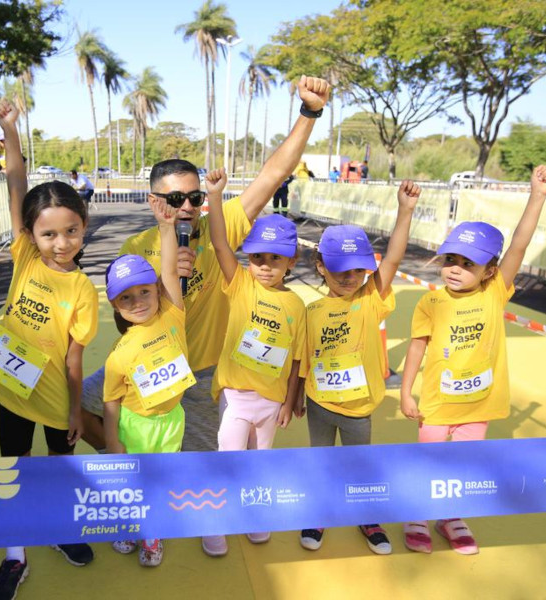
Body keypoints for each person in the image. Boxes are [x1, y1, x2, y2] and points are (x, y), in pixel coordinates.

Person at [80, 75, 331, 454]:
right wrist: (166, 285)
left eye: (194, 197)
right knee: (78, 406)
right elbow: (123, 316)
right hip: (149, 365)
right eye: (174, 198)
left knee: (201, 467)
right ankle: (135, 470)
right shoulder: (136, 246)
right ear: (153, 201)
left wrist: (309, 111)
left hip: (201, 374)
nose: (185, 207)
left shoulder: (221, 225)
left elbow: (273, 175)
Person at [399, 165, 546, 555]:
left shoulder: (494, 293)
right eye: (451, 259)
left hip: (478, 404)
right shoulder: (431, 301)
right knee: (430, 459)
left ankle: (451, 516)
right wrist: (406, 393)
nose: (455, 268)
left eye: (468, 263)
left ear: (490, 272)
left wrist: (537, 195)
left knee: (464, 465)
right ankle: (418, 513)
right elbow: (416, 347)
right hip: (437, 403)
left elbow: (519, 246)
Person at [0, 101, 99, 600]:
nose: (60, 242)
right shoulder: (25, 256)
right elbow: (15, 181)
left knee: (56, 468)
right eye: (49, 233)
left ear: (83, 227)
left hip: (54, 400)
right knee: (12, 467)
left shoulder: (84, 290)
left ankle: (61, 527)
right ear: (30, 234)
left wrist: (74, 409)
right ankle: (15, 553)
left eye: (71, 231)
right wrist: (10, 129)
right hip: (12, 390)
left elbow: (74, 358)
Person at [297, 181, 420, 554]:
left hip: (359, 409)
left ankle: (366, 516)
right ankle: (318, 512)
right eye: (339, 271)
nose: (349, 277)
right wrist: (293, 399)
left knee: (358, 465)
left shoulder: (371, 299)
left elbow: (394, 260)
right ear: (320, 267)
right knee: (321, 461)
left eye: (357, 270)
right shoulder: (313, 311)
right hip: (319, 404)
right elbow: (304, 360)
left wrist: (406, 211)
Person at [202, 168, 306, 557]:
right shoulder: (241, 284)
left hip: (271, 403)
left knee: (260, 464)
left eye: (274, 259)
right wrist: (214, 196)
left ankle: (253, 514)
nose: (264, 265)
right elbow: (218, 242)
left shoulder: (297, 305)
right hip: (236, 397)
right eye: (257, 257)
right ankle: (215, 521)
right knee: (230, 460)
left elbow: (296, 359)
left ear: (291, 261)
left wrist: (290, 400)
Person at [103, 199, 190, 569]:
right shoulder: (118, 355)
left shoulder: (173, 313)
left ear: (157, 290)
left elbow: (170, 270)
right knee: (131, 481)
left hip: (171, 421)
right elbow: (110, 402)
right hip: (134, 425)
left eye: (143, 291)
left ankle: (152, 531)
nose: (137, 301)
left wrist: (167, 227)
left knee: (161, 479)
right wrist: (112, 441)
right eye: (126, 297)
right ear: (116, 306)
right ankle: (127, 523)